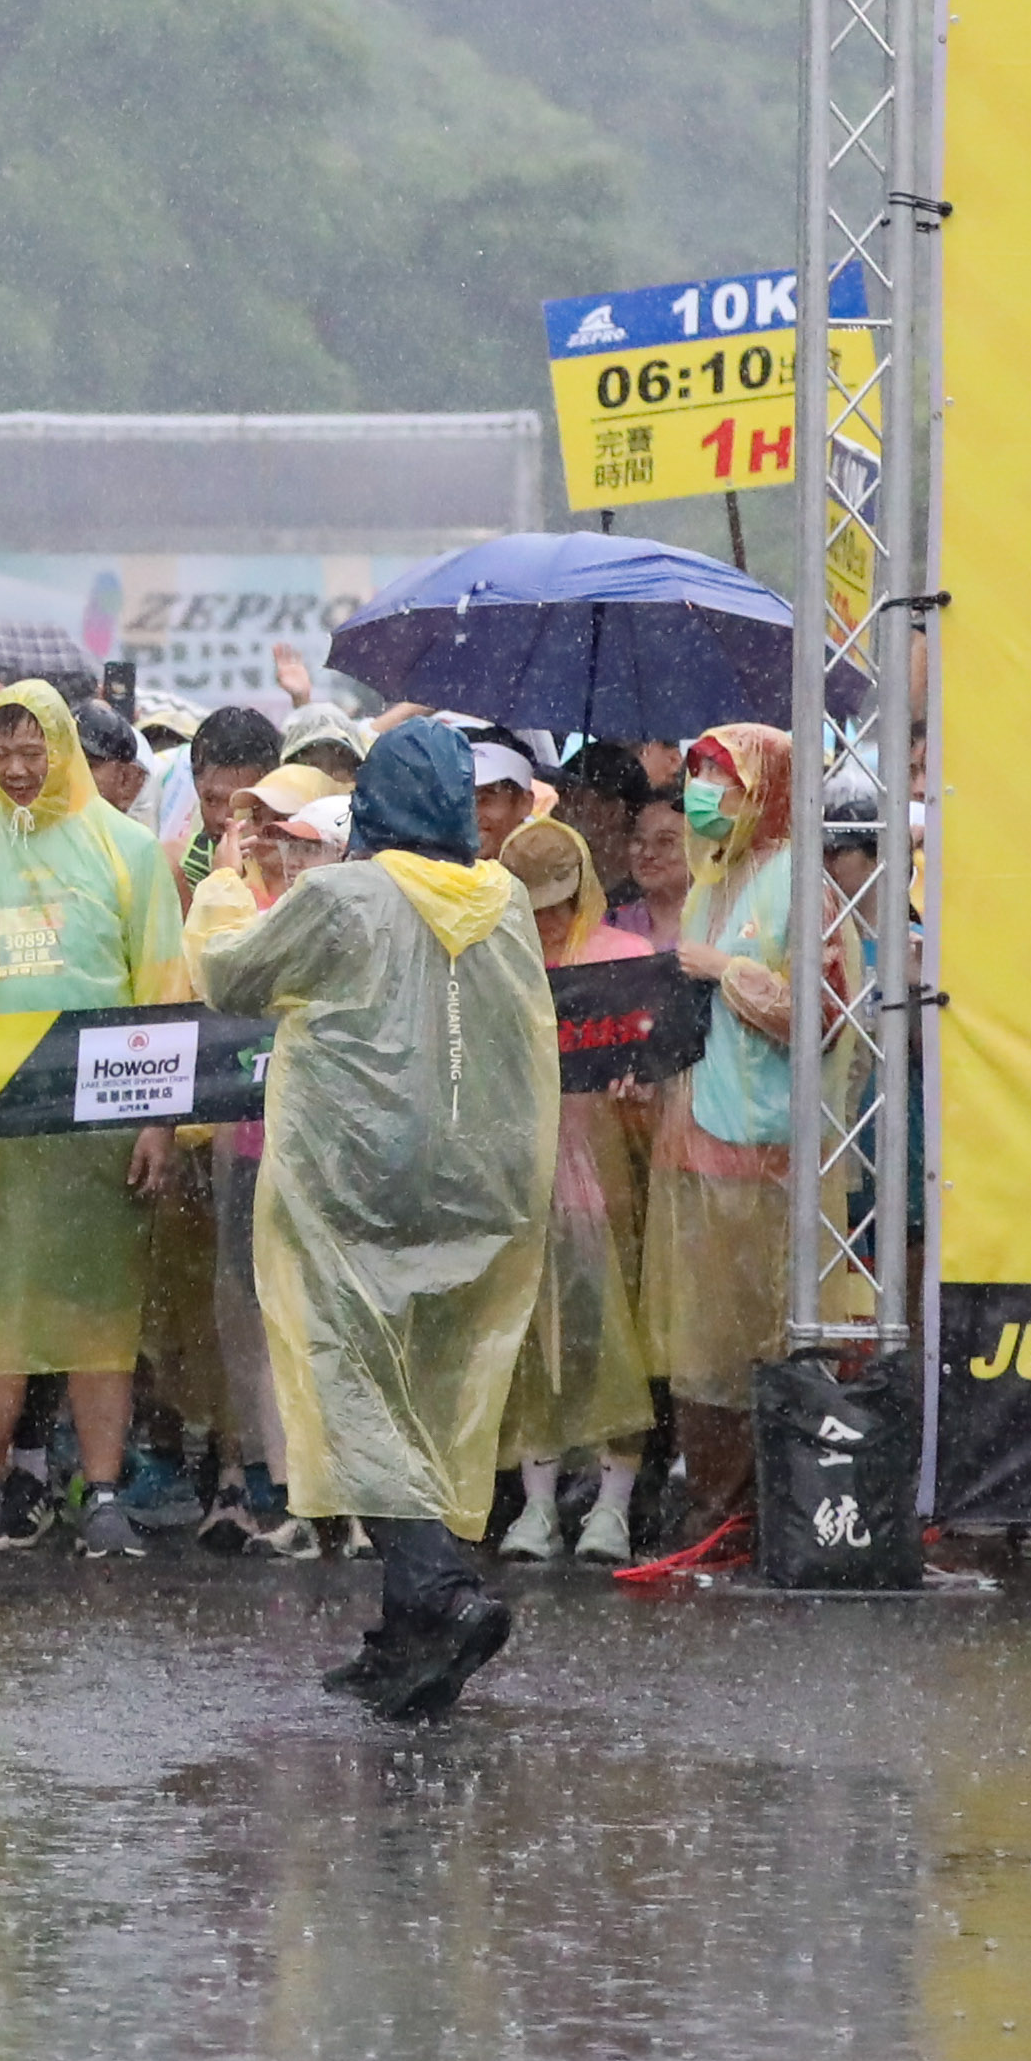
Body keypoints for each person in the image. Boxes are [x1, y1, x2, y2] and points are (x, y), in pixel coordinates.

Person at [208, 716, 559, 1717]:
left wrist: (233, 887)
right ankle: (405, 1629)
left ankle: (440, 1590)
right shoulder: (504, 898)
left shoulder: (344, 894)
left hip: (358, 1173)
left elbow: (230, 979)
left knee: (355, 1383)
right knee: (429, 1388)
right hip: (477, 1177)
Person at [0, 679, 189, 1555]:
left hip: (101, 1128)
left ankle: (103, 1492)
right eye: (2, 752)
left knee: (100, 1315)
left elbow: (162, 986)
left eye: (34, 752)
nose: (17, 769)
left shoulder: (129, 850)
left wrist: (160, 1120)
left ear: (63, 750)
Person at [623, 721, 806, 1578]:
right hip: (689, 1139)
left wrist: (727, 972)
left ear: (765, 788)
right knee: (696, 1346)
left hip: (760, 1148)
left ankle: (749, 1513)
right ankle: (710, 1508)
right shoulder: (710, 883)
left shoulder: (796, 881)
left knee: (753, 1341)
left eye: (720, 781)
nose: (704, 797)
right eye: (697, 777)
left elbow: (822, 1012)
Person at [491, 804, 661, 1564]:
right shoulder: (498, 964)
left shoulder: (625, 959)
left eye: (556, 904)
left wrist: (639, 1087)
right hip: (521, 1182)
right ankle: (537, 1505)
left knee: (612, 1342)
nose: (547, 920)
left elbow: (658, 1064)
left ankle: (612, 1506)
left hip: (610, 1179)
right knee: (531, 1345)